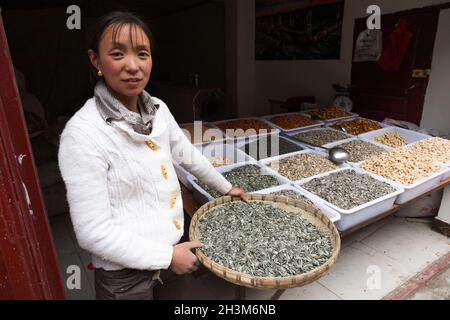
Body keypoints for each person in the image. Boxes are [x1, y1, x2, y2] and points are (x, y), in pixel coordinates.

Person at [58, 11, 248, 300]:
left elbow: (188, 155)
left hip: (172, 251)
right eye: (118, 53)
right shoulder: (82, 133)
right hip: (125, 277)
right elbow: (93, 232)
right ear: (95, 60)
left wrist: (225, 188)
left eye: (142, 54)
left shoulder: (157, 109)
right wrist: (167, 257)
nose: (133, 66)